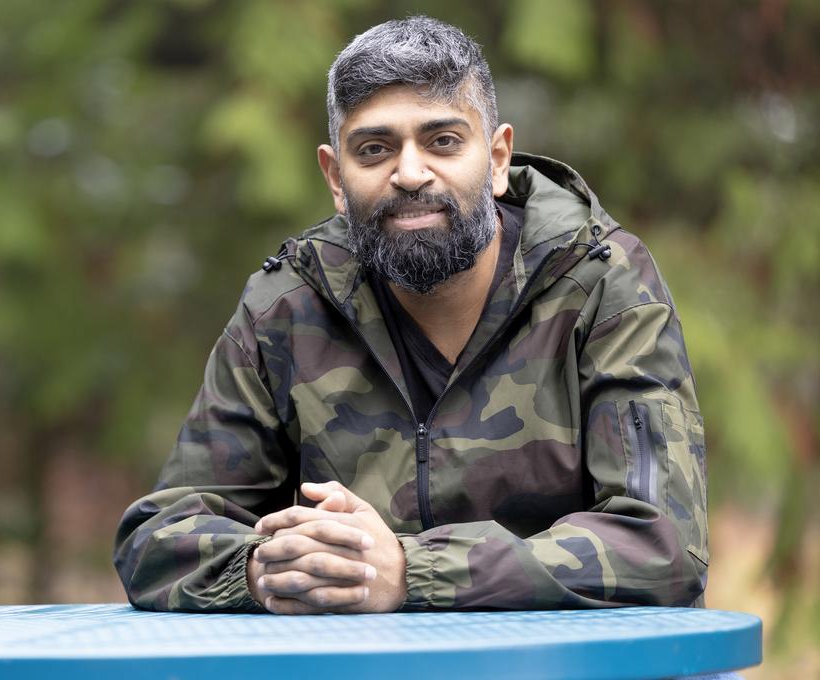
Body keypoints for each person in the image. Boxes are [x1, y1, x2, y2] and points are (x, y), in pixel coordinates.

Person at [114, 16, 708, 614]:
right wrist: (261, 569)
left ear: (498, 158)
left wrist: (409, 572)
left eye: (443, 141)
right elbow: (158, 539)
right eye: (374, 149)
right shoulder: (287, 307)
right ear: (335, 178)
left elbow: (663, 546)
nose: (409, 173)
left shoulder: (602, 282)